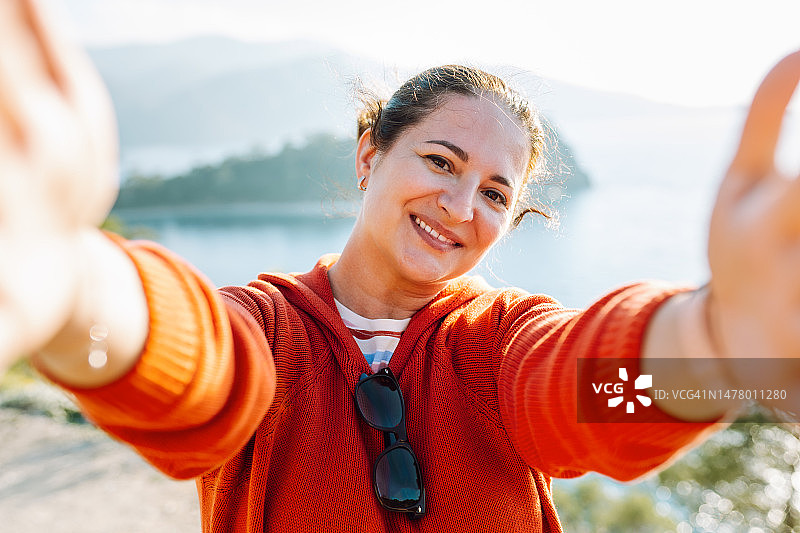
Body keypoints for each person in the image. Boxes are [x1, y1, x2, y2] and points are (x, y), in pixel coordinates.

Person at [1, 0, 799, 531]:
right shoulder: (268, 328)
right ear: (368, 156)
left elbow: (587, 388)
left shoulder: (503, 342)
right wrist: (75, 291)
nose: (460, 206)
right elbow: (198, 374)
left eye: (495, 191)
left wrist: (720, 344)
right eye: (440, 160)